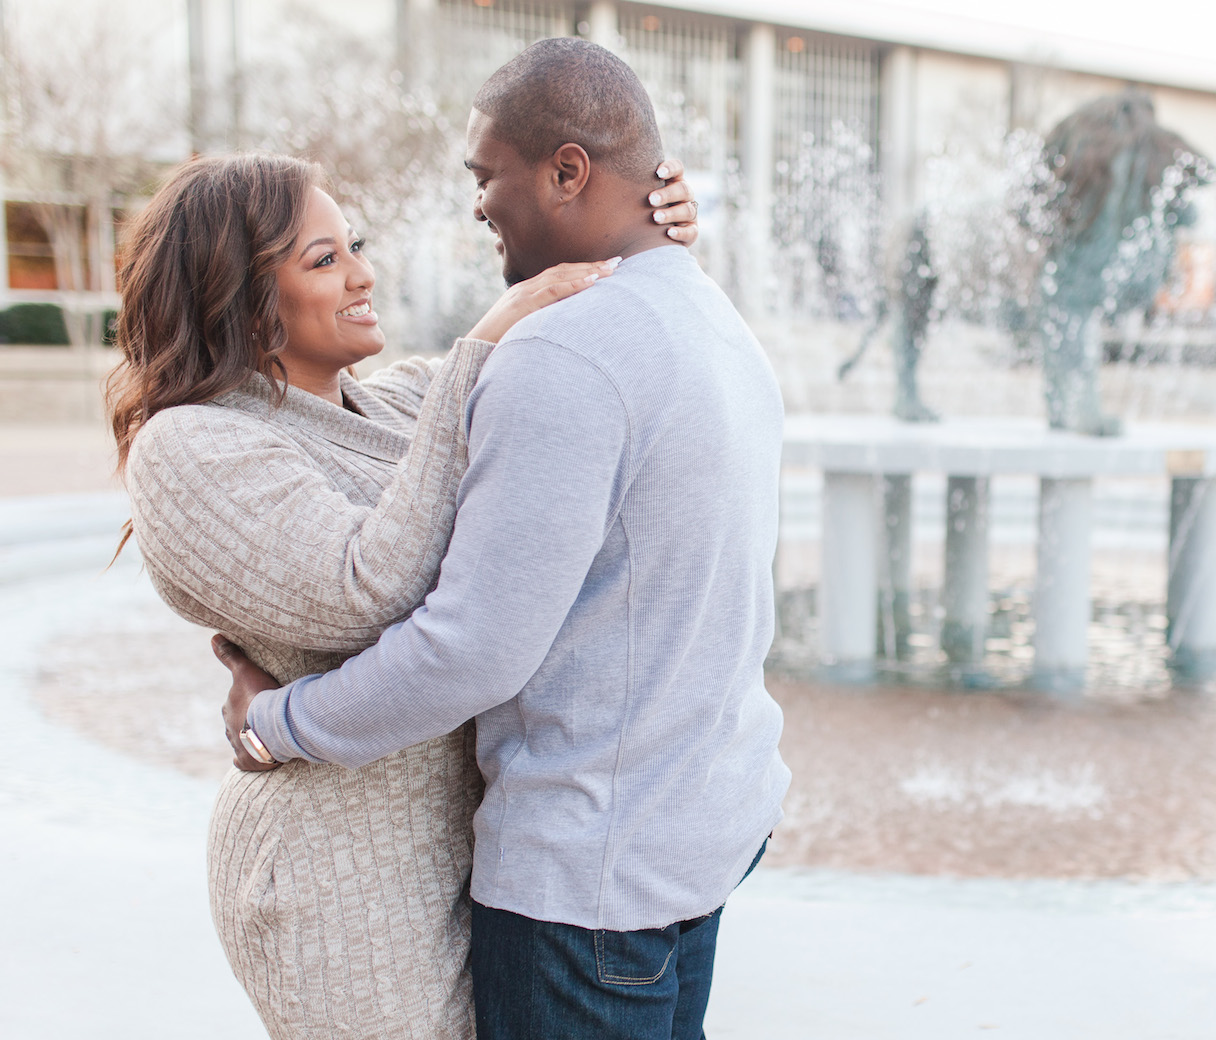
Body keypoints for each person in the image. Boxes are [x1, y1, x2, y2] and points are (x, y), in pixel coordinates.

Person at [216, 38, 791, 1040]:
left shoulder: (564, 352)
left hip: (588, 885)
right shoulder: (711, 316)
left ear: (567, 170)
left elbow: (472, 645)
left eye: (488, 176)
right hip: (700, 830)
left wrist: (280, 723)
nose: (478, 204)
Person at [111, 150, 699, 1039]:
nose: (363, 272)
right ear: (233, 292)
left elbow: (552, 335)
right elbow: (366, 591)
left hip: (457, 854)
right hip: (338, 884)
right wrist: (484, 340)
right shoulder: (189, 448)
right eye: (324, 259)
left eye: (355, 244)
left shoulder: (386, 406)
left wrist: (652, 226)